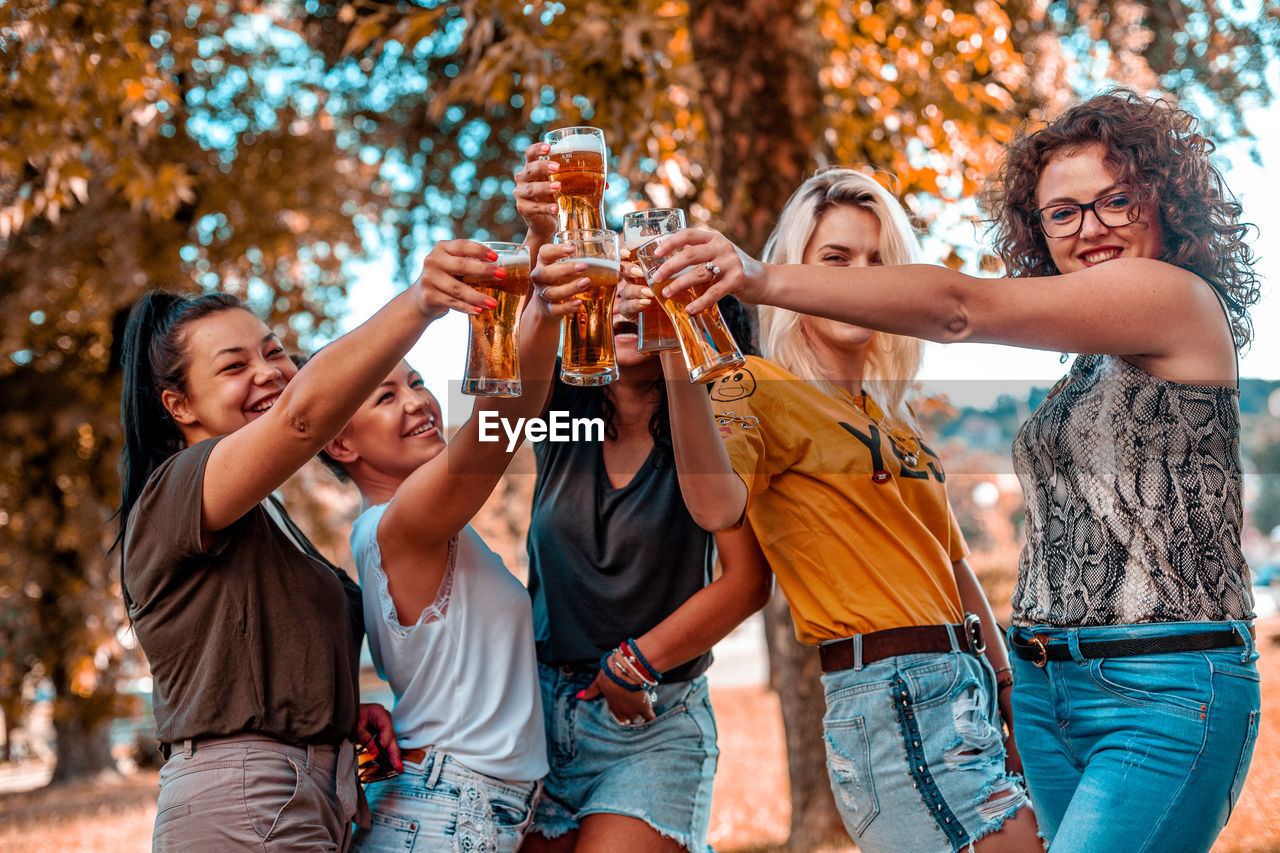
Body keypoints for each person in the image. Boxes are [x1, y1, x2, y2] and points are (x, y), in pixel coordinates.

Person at [638, 92, 1261, 852]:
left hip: (1162, 687)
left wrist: (760, 278)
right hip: (1044, 693)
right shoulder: (1087, 363)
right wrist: (1009, 679)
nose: (1089, 227)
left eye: (1116, 200)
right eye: (1062, 213)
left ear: (1165, 200)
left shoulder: (1174, 299)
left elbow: (960, 308)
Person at [625, 168, 1040, 853]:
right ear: (794, 276)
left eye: (877, 262)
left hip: (966, 688)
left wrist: (1007, 688)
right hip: (892, 696)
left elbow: (953, 568)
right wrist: (675, 350)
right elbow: (716, 501)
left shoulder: (892, 418)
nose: (859, 279)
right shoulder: (753, 384)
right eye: (836, 260)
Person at [116, 241, 508, 851]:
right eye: (234, 366)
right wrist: (422, 301)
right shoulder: (177, 490)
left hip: (307, 794)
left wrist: (339, 712)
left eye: (274, 352)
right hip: (248, 799)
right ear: (179, 405)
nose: (269, 371)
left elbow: (250, 657)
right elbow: (300, 420)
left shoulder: (265, 519)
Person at [512, 153, 773, 853]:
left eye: (650, 279)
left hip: (648, 721)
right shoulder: (562, 416)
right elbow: (499, 404)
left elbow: (746, 579)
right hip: (535, 713)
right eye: (618, 277)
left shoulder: (716, 421)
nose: (631, 294)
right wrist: (542, 242)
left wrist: (636, 661)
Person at [319, 211, 563, 851]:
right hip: (447, 809)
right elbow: (502, 418)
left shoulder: (418, 526)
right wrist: (542, 292)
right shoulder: (399, 528)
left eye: (418, 382)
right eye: (384, 396)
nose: (419, 402)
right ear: (340, 442)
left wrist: (538, 270)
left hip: (467, 803)